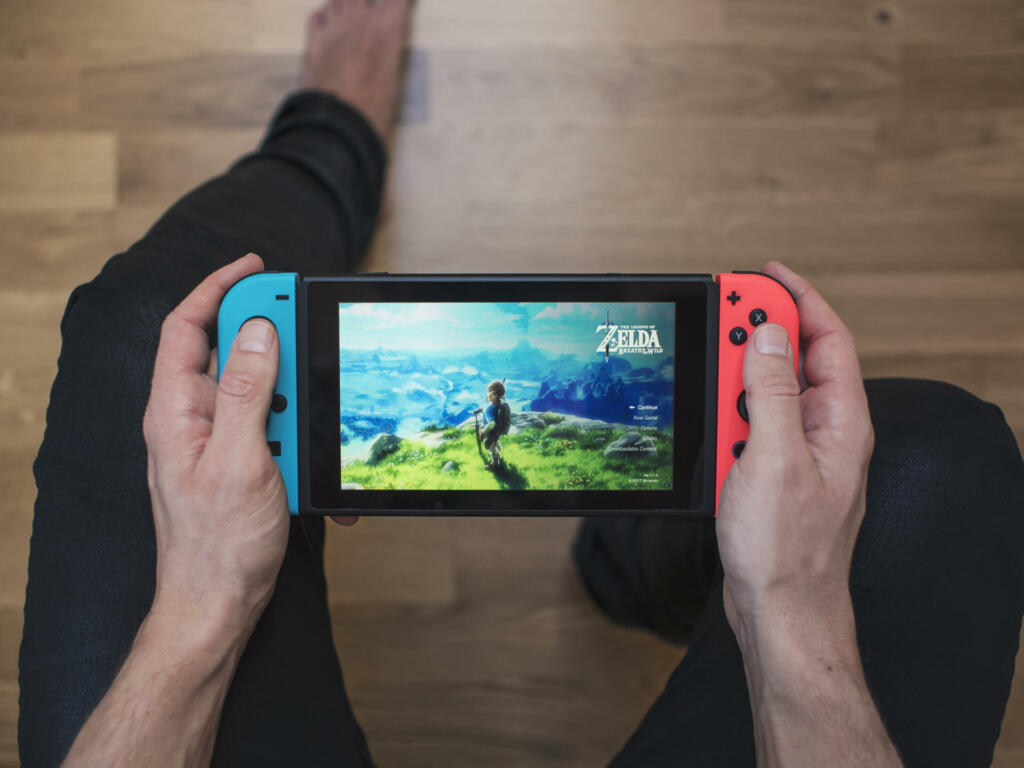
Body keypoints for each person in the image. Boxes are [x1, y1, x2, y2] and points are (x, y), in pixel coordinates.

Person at [17, 0, 1023, 766]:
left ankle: (327, 141)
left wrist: (203, 602)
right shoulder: (495, 400)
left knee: (142, 318)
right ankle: (633, 561)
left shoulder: (502, 399)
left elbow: (494, 403)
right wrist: (792, 605)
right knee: (941, 456)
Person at [477, 379, 511, 467]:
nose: (488, 394)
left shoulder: (488, 408)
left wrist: (483, 432)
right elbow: (493, 412)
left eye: (490, 392)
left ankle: (495, 463)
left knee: (488, 445)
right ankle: (498, 451)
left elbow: (491, 423)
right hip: (497, 430)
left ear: (495, 395)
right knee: (495, 441)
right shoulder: (498, 404)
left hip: (489, 431)